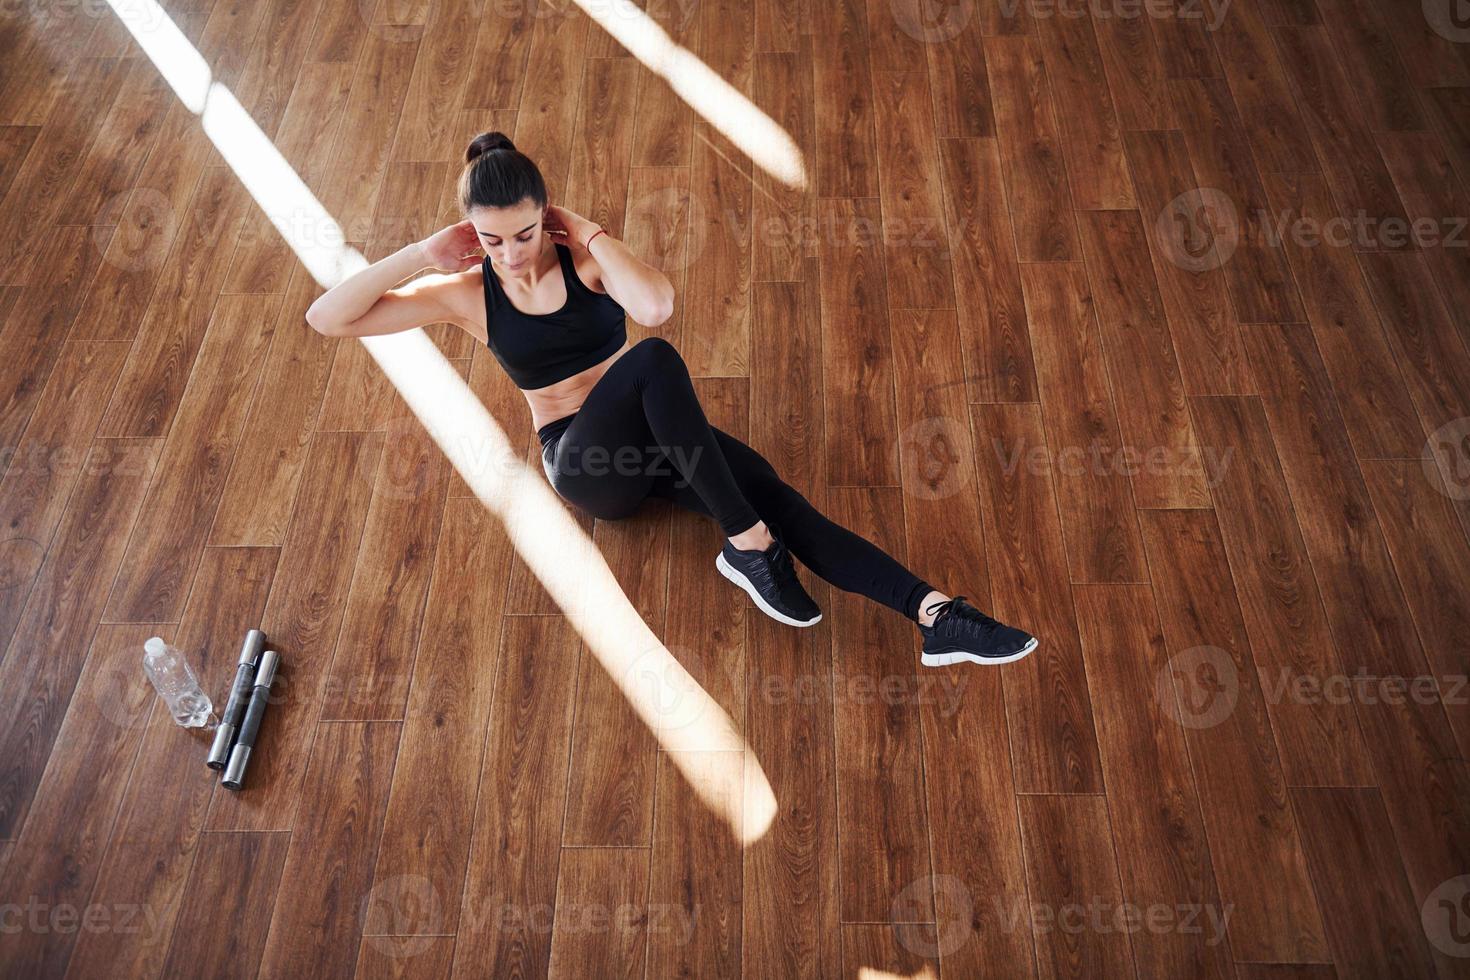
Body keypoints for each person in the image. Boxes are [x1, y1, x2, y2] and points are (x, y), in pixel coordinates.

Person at [305, 131, 1038, 667]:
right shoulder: (466, 295)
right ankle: (749, 550)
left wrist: (586, 231)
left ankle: (935, 614)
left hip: (660, 437)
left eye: (526, 232)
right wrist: (417, 257)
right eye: (492, 240)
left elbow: (654, 305)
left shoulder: (585, 261)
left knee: (781, 501)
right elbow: (328, 318)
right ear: (472, 233)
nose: (512, 253)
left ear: (547, 216)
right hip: (586, 465)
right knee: (656, 369)